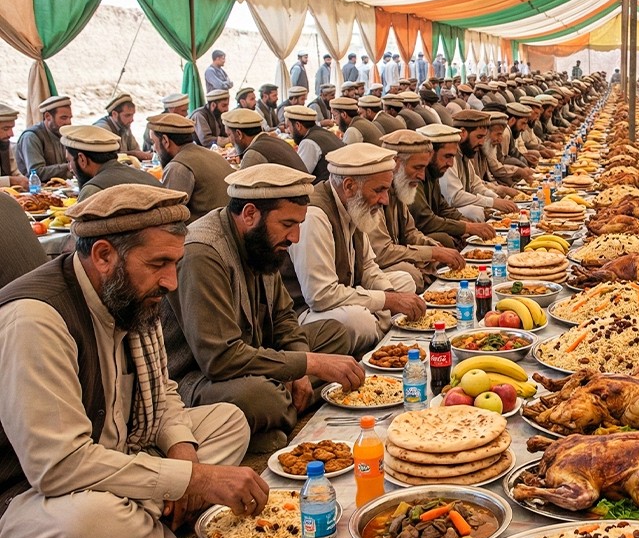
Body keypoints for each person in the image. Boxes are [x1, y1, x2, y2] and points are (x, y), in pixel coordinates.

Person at [0, 184, 260, 538]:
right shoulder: (35, 320)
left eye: (175, 263)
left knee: (229, 420)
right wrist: (193, 480)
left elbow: (163, 392)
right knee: (94, 526)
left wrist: (183, 454)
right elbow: (60, 467)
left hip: (119, 450)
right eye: (159, 263)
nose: (171, 281)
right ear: (103, 255)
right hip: (30, 495)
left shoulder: (131, 293)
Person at [164, 165, 360, 452]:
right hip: (201, 378)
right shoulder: (202, 252)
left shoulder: (262, 243)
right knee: (261, 397)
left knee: (334, 334)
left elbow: (284, 318)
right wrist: (309, 364)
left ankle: (277, 417)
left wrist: (300, 369)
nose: (295, 237)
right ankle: (277, 413)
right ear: (250, 214)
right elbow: (220, 359)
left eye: (298, 226)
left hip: (255, 357)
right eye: (287, 225)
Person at [284, 143, 424, 353]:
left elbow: (368, 266)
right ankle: (378, 335)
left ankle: (381, 331)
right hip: (308, 313)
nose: (385, 200)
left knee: (404, 281)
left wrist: (390, 294)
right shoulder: (315, 216)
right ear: (349, 186)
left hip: (344, 294)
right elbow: (320, 296)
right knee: (358, 320)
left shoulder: (355, 205)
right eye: (379, 190)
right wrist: (388, 301)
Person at [370, 130, 466, 288]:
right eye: (417, 167)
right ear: (396, 162)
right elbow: (381, 253)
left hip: (392, 257)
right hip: (374, 267)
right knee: (409, 273)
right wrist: (430, 253)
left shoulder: (400, 186)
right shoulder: (376, 193)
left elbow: (410, 232)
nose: (422, 176)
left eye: (424, 168)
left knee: (441, 246)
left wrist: (432, 246)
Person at [409, 124, 496, 248]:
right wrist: (466, 227)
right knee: (444, 238)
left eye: (453, 157)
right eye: (447, 156)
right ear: (430, 154)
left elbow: (443, 207)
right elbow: (425, 220)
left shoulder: (433, 173)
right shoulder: (415, 177)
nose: (450, 164)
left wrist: (466, 222)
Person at [152, 114, 233, 223]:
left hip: (205, 234)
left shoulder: (178, 166)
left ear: (165, 141)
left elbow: (169, 217)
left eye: (154, 142)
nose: (154, 148)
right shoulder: (213, 155)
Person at [67, 126, 157, 199]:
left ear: (82, 159)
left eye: (69, 161)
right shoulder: (149, 178)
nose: (70, 168)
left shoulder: (92, 191)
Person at [223, 108, 307, 171]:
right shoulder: (276, 141)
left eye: (229, 135)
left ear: (239, 134)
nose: (230, 140)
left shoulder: (253, 154)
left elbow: (241, 187)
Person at [15, 95, 72, 181]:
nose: (68, 122)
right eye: (63, 118)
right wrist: (68, 167)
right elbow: (36, 173)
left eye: (70, 118)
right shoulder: (31, 137)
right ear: (47, 116)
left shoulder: (62, 133)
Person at [287, 104, 344, 182]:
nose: (288, 131)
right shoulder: (325, 133)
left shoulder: (309, 142)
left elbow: (300, 176)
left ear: (298, 125)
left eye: (289, 126)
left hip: (326, 189)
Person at [93, 93, 149, 162]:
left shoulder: (124, 126)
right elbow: (106, 158)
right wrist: (134, 154)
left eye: (132, 115)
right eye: (127, 115)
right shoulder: (102, 129)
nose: (132, 120)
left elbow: (136, 149)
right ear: (114, 114)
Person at [0, 104, 28, 190]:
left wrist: (25, 181)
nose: (11, 134)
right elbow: (13, 179)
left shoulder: (4, 144)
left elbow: (15, 172)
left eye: (11, 128)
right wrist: (11, 181)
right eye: (5, 129)